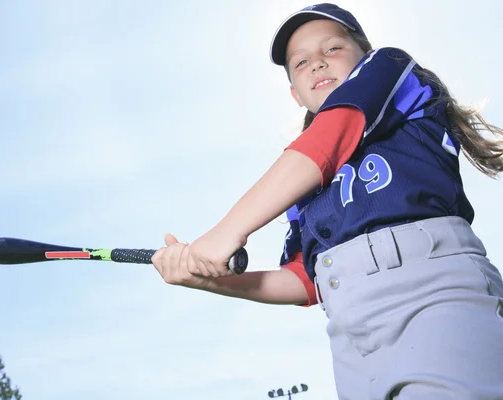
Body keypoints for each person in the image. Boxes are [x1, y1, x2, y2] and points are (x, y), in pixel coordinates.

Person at [151, 3, 503, 399]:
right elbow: (305, 279)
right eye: (301, 63)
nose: (317, 64)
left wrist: (225, 232)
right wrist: (209, 280)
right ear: (294, 93)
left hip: (432, 293)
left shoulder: (389, 68)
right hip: (350, 338)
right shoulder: (299, 185)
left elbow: (335, 131)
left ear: (364, 57)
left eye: (332, 49)